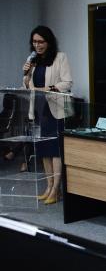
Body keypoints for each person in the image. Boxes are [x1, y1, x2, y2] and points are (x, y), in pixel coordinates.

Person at [21, 26, 73, 204]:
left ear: (48, 42)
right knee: (44, 150)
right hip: (39, 109)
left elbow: (67, 83)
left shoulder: (60, 57)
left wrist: (48, 88)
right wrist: (26, 74)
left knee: (55, 150)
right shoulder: (33, 61)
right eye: (34, 42)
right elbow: (27, 86)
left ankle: (56, 189)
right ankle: (49, 186)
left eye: (41, 41)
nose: (37, 45)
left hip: (55, 109)